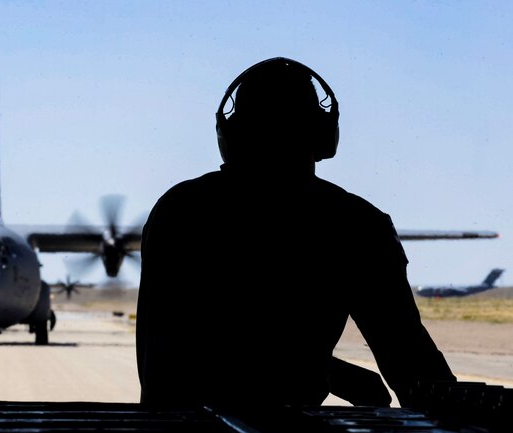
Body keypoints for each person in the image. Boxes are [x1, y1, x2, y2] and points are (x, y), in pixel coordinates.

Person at [135, 57, 456, 417]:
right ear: (322, 133)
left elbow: (164, 359)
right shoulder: (356, 223)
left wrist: (328, 371)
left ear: (231, 133)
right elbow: (410, 358)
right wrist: (327, 371)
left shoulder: (181, 210)